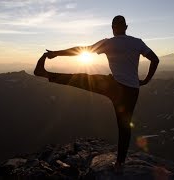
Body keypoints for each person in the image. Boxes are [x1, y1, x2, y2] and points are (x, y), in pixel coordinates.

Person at [34, 15, 159, 172]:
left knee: (82, 79)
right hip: (132, 90)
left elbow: (81, 50)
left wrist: (56, 53)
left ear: (113, 28)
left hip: (113, 86)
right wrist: (146, 80)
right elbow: (155, 59)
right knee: (124, 126)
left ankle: (45, 74)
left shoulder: (109, 42)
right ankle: (120, 164)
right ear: (126, 27)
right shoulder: (137, 42)